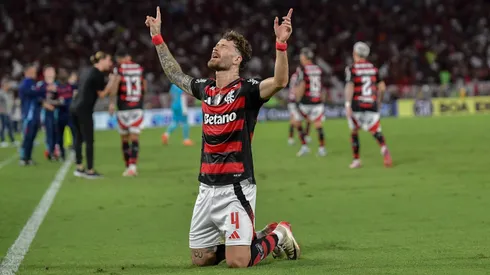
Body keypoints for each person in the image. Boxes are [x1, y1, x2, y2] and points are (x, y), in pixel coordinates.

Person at [145, 6, 300, 268]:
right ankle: (253, 236)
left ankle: (280, 232)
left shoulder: (247, 91)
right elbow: (175, 75)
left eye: (223, 46)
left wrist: (280, 45)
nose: (216, 48)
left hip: (236, 188)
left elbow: (280, 81)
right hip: (206, 188)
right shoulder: (206, 90)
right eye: (216, 45)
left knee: (237, 262)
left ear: (238, 58)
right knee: (201, 259)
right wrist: (158, 38)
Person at [70, 51, 119, 179]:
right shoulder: (98, 74)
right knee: (89, 140)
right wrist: (112, 82)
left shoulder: (87, 71)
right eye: (109, 60)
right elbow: (102, 94)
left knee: (79, 138)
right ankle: (90, 170)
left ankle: (79, 167)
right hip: (84, 109)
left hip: (74, 107)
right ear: (101, 60)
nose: (110, 63)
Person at [344, 42, 392, 168]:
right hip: (372, 103)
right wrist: (379, 102)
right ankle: (384, 149)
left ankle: (356, 160)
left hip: (357, 104)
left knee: (354, 131)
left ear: (355, 53)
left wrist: (348, 104)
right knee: (376, 130)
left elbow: (350, 86)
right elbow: (382, 88)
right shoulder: (374, 69)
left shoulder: (352, 68)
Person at [109, 50, 146, 177]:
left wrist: (112, 103)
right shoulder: (139, 68)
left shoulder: (119, 69)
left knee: (124, 138)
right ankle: (133, 166)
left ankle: (127, 166)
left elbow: (115, 85)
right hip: (137, 106)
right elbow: (144, 85)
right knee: (135, 137)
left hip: (124, 107)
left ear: (121, 58)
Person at [293, 48, 326, 157]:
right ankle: (322, 148)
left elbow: (302, 85)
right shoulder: (318, 69)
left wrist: (297, 99)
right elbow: (322, 86)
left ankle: (304, 146)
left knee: (297, 122)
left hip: (305, 101)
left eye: (301, 56)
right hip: (317, 100)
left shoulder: (302, 69)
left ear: (305, 57)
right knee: (318, 125)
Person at [19, 64, 54, 165]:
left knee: (32, 136)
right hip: (29, 115)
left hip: (35, 114)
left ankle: (28, 157)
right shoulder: (25, 83)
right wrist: (46, 89)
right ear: (27, 72)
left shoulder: (33, 84)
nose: (35, 74)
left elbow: (38, 96)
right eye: (33, 72)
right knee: (27, 136)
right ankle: (23, 157)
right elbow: (32, 92)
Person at [37, 65, 59, 160]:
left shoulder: (58, 84)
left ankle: (57, 150)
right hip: (46, 112)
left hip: (58, 111)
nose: (50, 73)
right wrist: (46, 105)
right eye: (48, 71)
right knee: (49, 132)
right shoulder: (41, 85)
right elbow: (38, 98)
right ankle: (50, 151)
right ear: (44, 73)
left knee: (57, 132)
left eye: (52, 71)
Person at [55, 68, 76, 161]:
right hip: (61, 114)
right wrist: (58, 102)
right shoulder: (56, 87)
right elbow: (51, 99)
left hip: (70, 114)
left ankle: (76, 152)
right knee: (60, 136)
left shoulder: (71, 86)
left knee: (74, 134)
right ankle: (62, 154)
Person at [0, 78, 15, 147]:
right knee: (3, 126)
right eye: (7, 85)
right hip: (2, 112)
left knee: (10, 127)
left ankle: (12, 141)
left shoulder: (8, 93)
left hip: (8, 112)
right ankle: (3, 141)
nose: (8, 86)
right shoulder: (1, 93)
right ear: (3, 85)